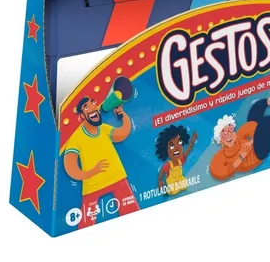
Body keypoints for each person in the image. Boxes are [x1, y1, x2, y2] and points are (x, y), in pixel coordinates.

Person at [64, 96, 139, 229]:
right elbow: (70, 167)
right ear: (81, 116)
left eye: (93, 103)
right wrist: (91, 173)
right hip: (92, 186)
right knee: (85, 224)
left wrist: (123, 115)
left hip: (118, 178)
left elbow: (123, 133)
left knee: (132, 212)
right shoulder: (76, 138)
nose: (93, 107)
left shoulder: (103, 129)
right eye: (86, 107)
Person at [210, 90, 270, 180]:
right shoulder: (223, 156)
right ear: (221, 140)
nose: (229, 135)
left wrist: (250, 142)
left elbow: (250, 128)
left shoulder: (238, 137)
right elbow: (226, 170)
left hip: (255, 141)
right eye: (224, 134)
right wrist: (241, 157)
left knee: (253, 115)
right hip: (259, 153)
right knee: (266, 122)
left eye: (230, 129)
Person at [156, 125, 197, 195]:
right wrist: (159, 180)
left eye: (180, 142)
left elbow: (186, 153)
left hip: (180, 179)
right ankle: (168, 191)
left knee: (185, 185)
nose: (177, 148)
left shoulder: (180, 160)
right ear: (165, 150)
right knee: (174, 190)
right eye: (172, 146)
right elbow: (162, 170)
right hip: (172, 182)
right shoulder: (168, 165)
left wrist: (192, 142)